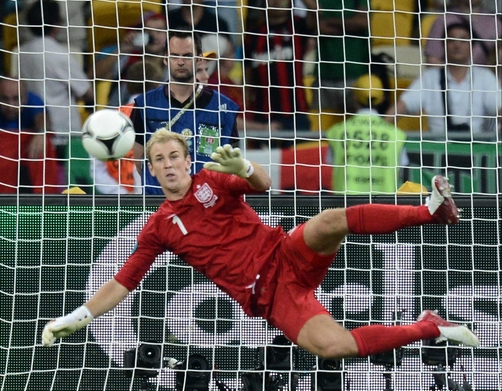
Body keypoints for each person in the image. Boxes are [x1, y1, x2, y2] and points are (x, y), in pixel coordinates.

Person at [42, 129, 480, 363]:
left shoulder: (213, 181)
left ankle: (429, 212)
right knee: (335, 347)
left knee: (329, 220)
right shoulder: (158, 228)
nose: (169, 164)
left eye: (174, 156)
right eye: (159, 160)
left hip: (285, 252)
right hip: (271, 297)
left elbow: (264, 184)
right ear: (151, 171)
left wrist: (246, 167)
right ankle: (430, 327)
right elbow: (123, 281)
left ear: (187, 161)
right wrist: (78, 317)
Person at [130, 28, 239, 195]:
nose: (180, 62)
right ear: (165, 59)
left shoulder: (224, 108)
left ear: (199, 59)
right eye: (174, 56)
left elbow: (232, 163)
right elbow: (140, 162)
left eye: (187, 56)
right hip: (159, 203)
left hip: (209, 203)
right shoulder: (144, 105)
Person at [15, 0, 94, 192]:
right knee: (65, 188)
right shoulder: (60, 54)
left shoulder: (21, 52)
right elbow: (88, 93)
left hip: (33, 130)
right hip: (63, 133)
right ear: (57, 22)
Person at [393, 21, 502, 140]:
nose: (457, 45)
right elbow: (403, 105)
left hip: (477, 147)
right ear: (443, 46)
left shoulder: (485, 77)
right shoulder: (429, 78)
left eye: (463, 40)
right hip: (438, 147)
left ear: (471, 47)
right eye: (451, 40)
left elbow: (498, 107)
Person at [243, 0, 310, 133]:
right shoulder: (253, 35)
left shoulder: (298, 26)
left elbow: (317, 13)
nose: (276, 0)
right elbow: (247, 76)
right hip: (263, 114)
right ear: (263, 0)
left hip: (296, 112)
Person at [326, 74, 408, 194]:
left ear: (354, 97)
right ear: (382, 98)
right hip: (383, 203)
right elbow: (402, 169)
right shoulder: (396, 135)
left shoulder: (337, 132)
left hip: (345, 202)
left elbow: (330, 163)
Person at [299, 0, 370, 113]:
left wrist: (329, 21)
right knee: (320, 124)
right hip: (325, 75)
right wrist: (349, 25)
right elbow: (315, 27)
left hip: (355, 75)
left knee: (355, 124)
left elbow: (362, 22)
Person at [0, 76, 61, 194]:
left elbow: (42, 118)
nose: (10, 105)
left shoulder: (33, 101)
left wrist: (41, 133)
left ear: (25, 98)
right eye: (5, 99)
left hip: (23, 168)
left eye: (16, 99)